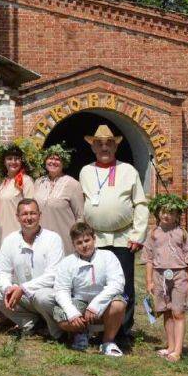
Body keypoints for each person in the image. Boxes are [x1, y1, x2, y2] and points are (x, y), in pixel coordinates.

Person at [78, 124, 149, 337]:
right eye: (99, 144)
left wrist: (138, 235)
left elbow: (141, 204)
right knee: (96, 284)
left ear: (115, 147)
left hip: (123, 238)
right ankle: (97, 328)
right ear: (93, 148)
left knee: (124, 285)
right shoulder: (86, 171)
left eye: (108, 143)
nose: (104, 148)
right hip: (95, 239)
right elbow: (83, 203)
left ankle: (122, 331)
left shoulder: (128, 170)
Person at [0, 199, 65, 338]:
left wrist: (23, 288)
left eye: (33, 213)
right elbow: (1, 272)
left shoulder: (53, 238)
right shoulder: (10, 240)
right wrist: (8, 289)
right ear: (17, 217)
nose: (29, 218)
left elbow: (53, 275)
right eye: (24, 214)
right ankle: (33, 324)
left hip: (47, 294)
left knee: (42, 297)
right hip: (23, 296)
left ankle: (57, 331)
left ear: (40, 215)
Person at [53, 222, 127, 356]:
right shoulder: (67, 262)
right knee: (59, 314)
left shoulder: (108, 256)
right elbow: (61, 290)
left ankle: (107, 342)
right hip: (79, 302)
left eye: (87, 240)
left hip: (102, 302)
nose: (84, 245)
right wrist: (72, 313)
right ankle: (81, 332)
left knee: (118, 304)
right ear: (73, 244)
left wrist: (95, 305)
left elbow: (117, 284)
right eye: (79, 242)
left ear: (94, 239)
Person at [143, 203, 188, 362]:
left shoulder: (182, 234)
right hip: (160, 277)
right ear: (158, 213)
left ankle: (178, 351)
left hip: (179, 275)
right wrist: (149, 281)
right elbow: (148, 259)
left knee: (178, 312)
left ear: (177, 215)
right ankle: (171, 346)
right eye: (163, 212)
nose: (166, 216)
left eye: (171, 213)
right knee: (166, 311)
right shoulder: (153, 234)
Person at [32, 145, 85, 255]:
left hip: (65, 241)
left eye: (57, 159)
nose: (53, 162)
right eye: (50, 158)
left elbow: (80, 217)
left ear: (63, 162)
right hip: (41, 239)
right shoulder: (38, 182)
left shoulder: (72, 184)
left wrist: (79, 241)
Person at [0, 144, 35, 250]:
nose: (13, 162)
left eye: (17, 159)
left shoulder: (26, 181)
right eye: (9, 159)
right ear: (4, 161)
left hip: (15, 230)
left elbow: (31, 209)